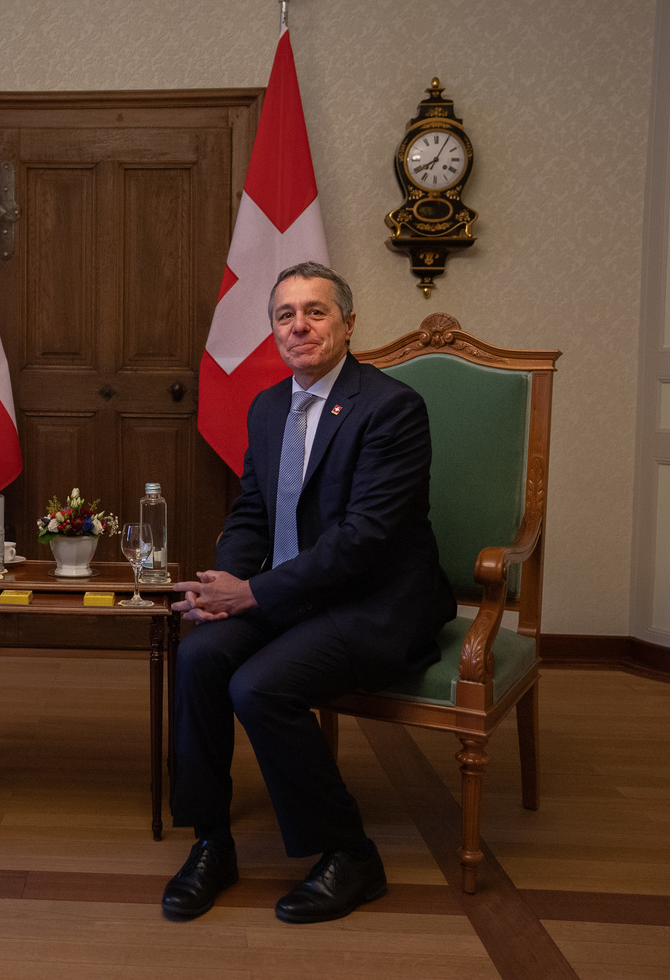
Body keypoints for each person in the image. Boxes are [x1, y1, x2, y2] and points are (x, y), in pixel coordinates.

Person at [165, 261, 455, 923]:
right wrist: (226, 584)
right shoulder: (268, 407)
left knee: (259, 685)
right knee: (201, 656)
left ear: (348, 325)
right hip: (294, 593)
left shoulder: (392, 409)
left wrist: (254, 593)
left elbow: (363, 540)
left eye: (316, 311)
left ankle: (350, 855)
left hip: (376, 602)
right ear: (274, 332)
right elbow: (252, 514)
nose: (299, 326)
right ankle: (211, 840)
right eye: (285, 314)